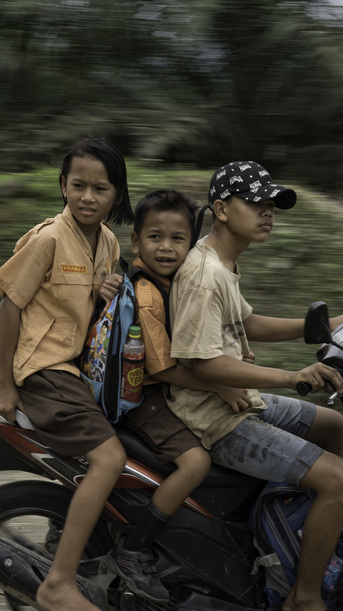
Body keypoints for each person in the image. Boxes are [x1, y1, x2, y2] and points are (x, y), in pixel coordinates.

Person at [168, 161, 343, 611]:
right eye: (256, 202)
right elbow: (206, 363)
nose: (268, 211)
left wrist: (324, 326)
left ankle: (297, 532)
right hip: (214, 420)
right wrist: (292, 377)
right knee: (338, 480)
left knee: (332, 426)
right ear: (221, 209)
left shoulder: (223, 263)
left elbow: (248, 322)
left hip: (239, 402)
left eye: (271, 203)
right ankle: (304, 597)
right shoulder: (203, 274)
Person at [0, 137, 135, 611]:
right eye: (78, 185)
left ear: (116, 194)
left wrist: (102, 292)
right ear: (63, 185)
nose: (87, 197)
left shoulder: (109, 242)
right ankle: (58, 584)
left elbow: (83, 309)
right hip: (43, 370)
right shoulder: (48, 239)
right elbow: (9, 307)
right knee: (110, 460)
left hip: (79, 372)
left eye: (100, 188)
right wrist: (5, 386)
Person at [102, 189, 252, 601]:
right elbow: (163, 368)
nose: (166, 247)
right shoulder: (148, 293)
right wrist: (220, 383)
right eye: (155, 237)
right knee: (195, 462)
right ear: (136, 242)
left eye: (177, 239)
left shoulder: (173, 282)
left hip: (167, 387)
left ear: (192, 243)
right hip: (143, 398)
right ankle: (135, 548)